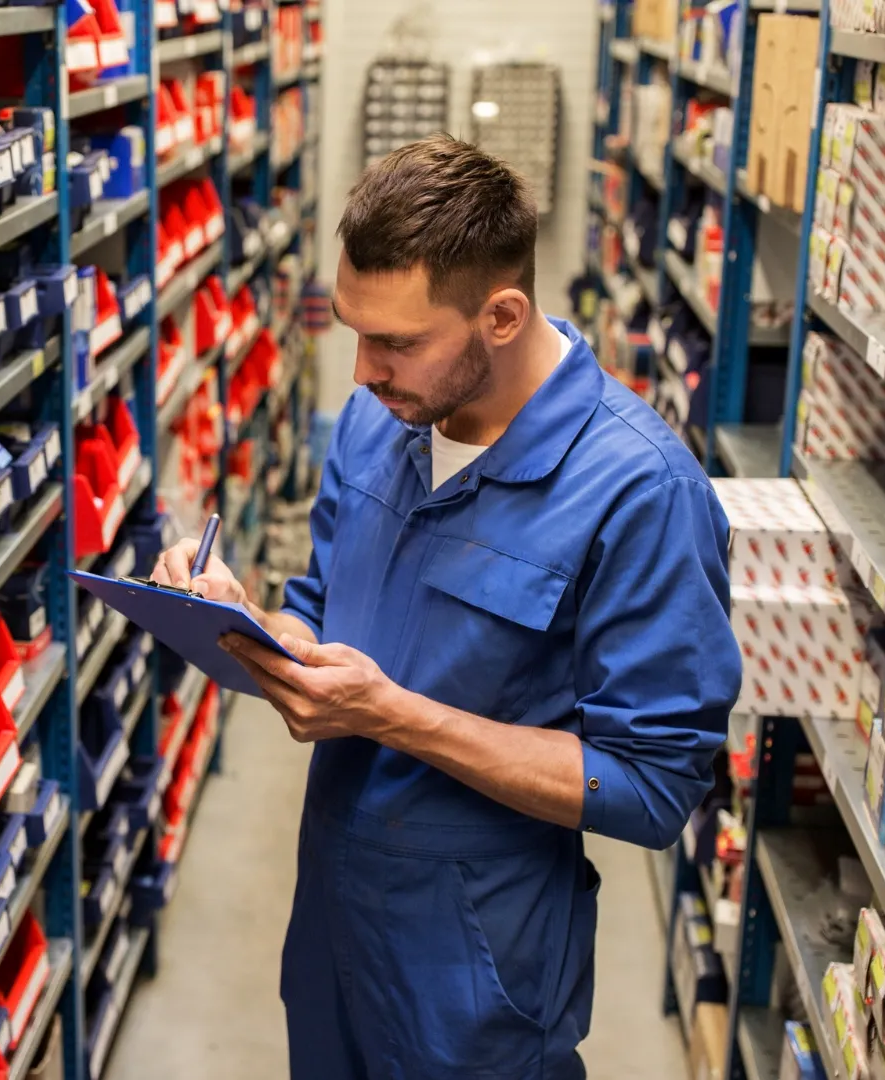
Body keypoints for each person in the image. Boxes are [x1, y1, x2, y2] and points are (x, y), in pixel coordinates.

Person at [150, 134, 741, 1078]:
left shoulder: (640, 491)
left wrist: (393, 717)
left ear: (501, 316)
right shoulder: (379, 423)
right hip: (334, 930)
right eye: (353, 328)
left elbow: (653, 786)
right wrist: (245, 623)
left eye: (395, 342)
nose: (360, 372)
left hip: (475, 979)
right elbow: (319, 613)